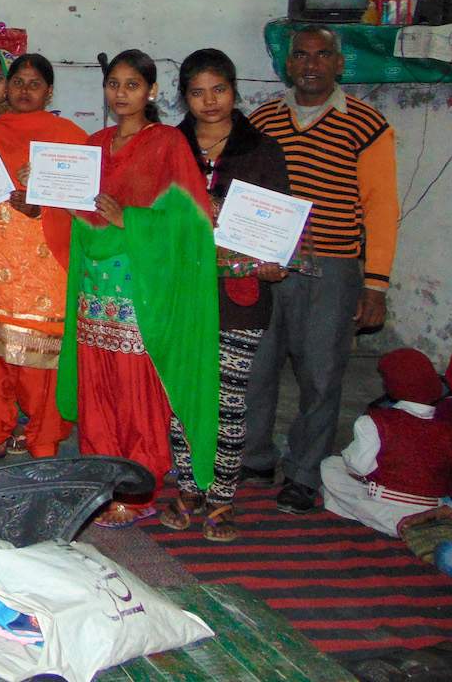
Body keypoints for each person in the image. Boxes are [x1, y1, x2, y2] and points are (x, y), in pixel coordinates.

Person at [55, 50, 220, 527]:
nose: (120, 94)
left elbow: (192, 220)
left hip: (140, 288)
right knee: (98, 385)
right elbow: (79, 208)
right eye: (113, 84)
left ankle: (139, 486)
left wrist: (130, 218)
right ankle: (99, 481)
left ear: (150, 90)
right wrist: (46, 188)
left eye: (131, 85)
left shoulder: (167, 143)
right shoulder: (94, 143)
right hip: (93, 284)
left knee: (136, 390)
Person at [245, 26, 400, 515]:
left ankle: (303, 472)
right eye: (301, 56)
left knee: (321, 373)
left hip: (332, 269)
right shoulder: (262, 120)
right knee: (257, 366)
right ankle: (254, 458)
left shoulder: (367, 125)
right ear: (287, 65)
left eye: (322, 55)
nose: (310, 64)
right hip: (269, 264)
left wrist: (375, 282)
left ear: (339, 64)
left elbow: (380, 208)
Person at [160, 49, 290, 542]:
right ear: (184, 97)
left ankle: (222, 499)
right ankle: (189, 488)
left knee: (230, 400)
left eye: (219, 90)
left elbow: (279, 219)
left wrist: (278, 257)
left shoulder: (261, 149)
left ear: (235, 91)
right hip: (180, 292)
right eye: (197, 92)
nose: (209, 101)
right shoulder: (169, 145)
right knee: (183, 398)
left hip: (240, 293)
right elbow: (153, 209)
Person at [0, 54, 86, 470]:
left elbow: (85, 209)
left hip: (42, 273)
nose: (25, 90)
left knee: (39, 365)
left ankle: (43, 442)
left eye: (34, 83)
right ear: (6, 88)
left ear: (49, 91)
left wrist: (42, 208)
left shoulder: (71, 138)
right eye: (18, 82)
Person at [321, 348, 452, 536]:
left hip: (388, 500)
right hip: (435, 503)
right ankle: (421, 519)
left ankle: (396, 523)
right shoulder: (447, 426)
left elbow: (359, 467)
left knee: (330, 467)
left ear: (391, 386)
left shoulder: (377, 421)